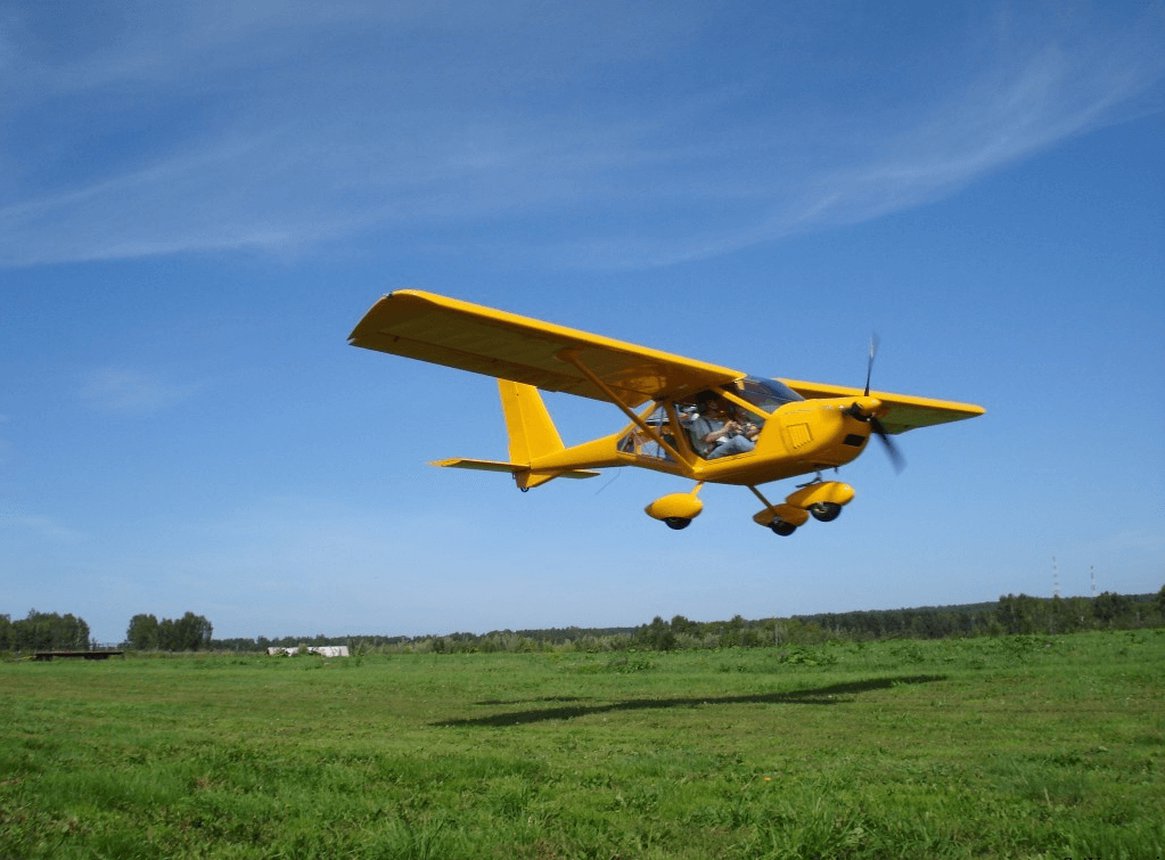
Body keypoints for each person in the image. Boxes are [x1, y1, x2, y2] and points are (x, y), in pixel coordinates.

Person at [685, 396, 758, 458]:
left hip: (724, 447)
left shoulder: (717, 422)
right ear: (708, 406)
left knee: (754, 440)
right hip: (711, 454)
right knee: (737, 440)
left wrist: (758, 430)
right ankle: (758, 453)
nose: (721, 408)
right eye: (713, 403)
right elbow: (707, 438)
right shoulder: (700, 421)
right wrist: (726, 429)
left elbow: (738, 437)